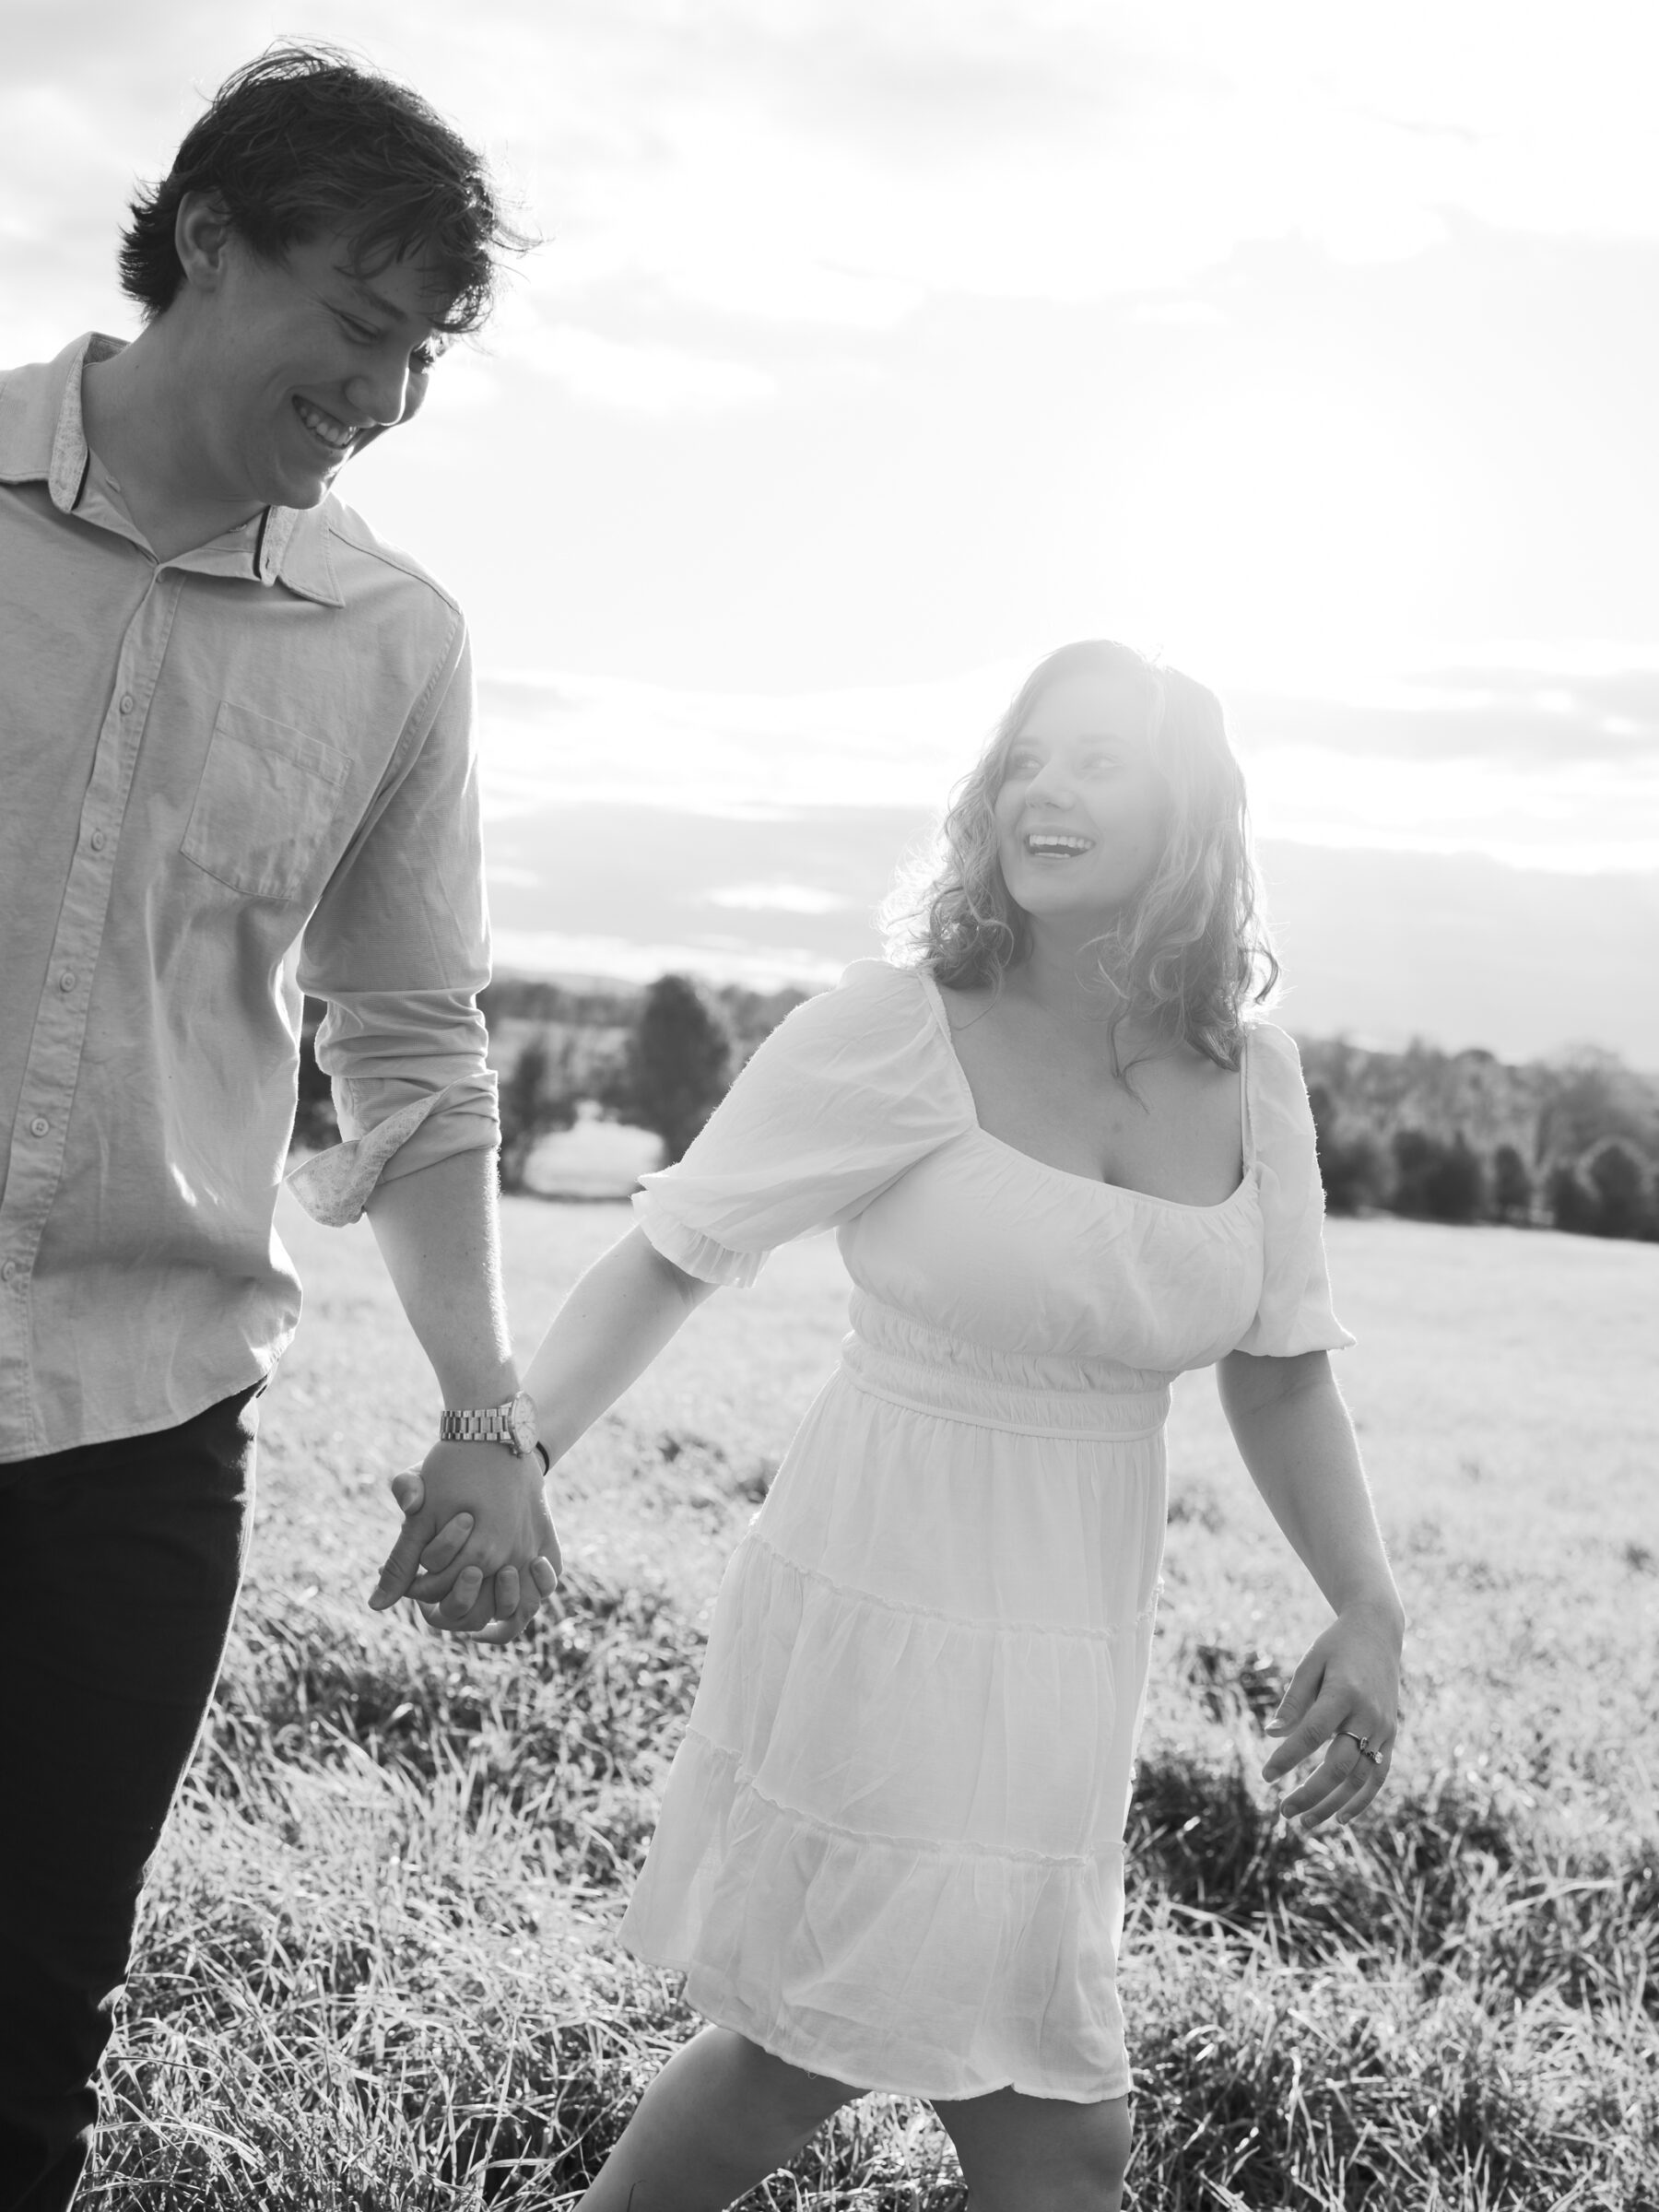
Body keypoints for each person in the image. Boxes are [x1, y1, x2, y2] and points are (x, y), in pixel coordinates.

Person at [395, 638, 1406, 2210]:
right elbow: (673, 1253)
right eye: (1026, 759)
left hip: (1073, 1635)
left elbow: (1278, 1366)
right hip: (889, 1583)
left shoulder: (1252, 1077)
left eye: (1099, 761)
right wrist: (511, 1453)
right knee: (930, 2088)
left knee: (856, 2072)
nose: (1047, 792)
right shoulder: (898, 1025)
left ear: (1195, 816)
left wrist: (1368, 1600)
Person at [0, 47, 561, 2211]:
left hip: (135, 1437)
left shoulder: (393, 645)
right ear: (205, 240)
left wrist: (486, 1418)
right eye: (361, 317)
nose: (386, 391)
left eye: (423, 353)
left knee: (29, 2023)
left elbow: (411, 1046)